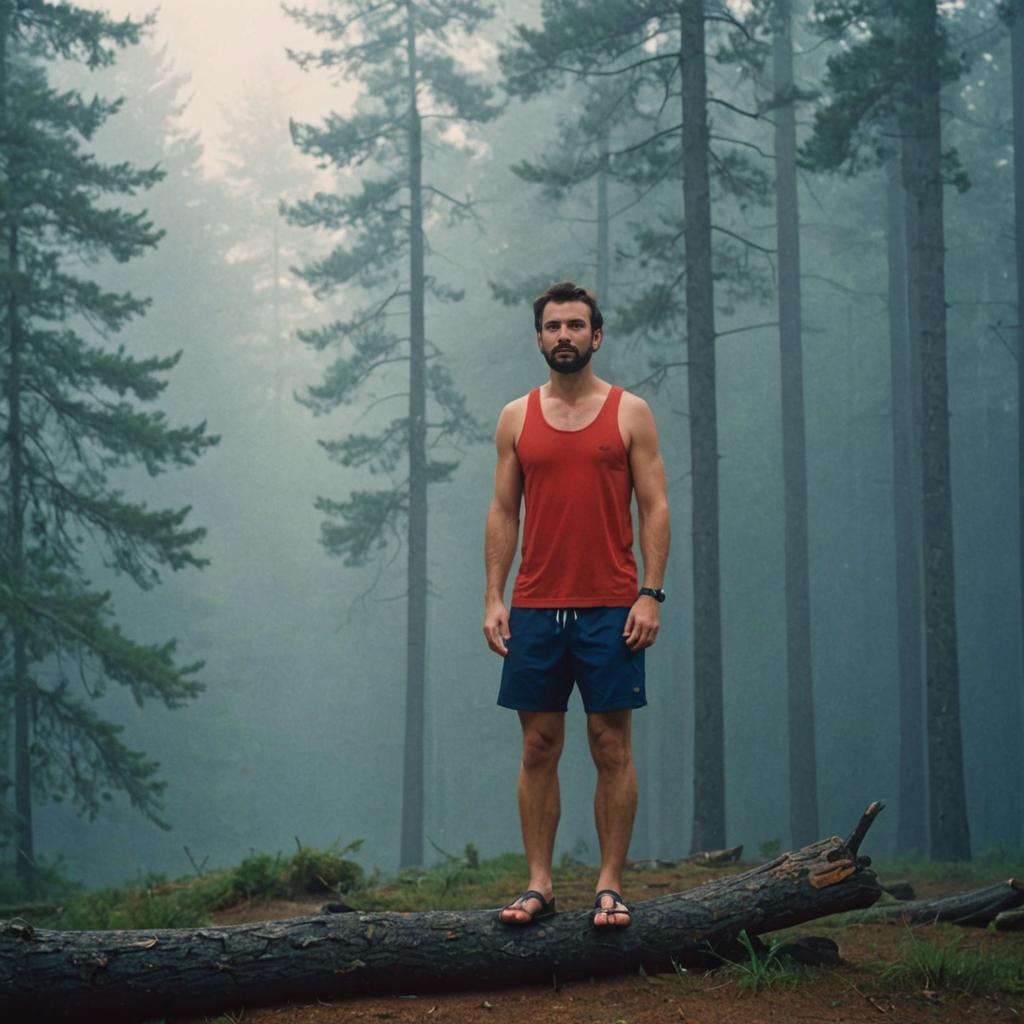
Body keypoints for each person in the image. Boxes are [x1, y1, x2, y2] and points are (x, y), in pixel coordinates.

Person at [483, 281, 670, 929]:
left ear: (597, 335)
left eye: (576, 325)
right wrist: (492, 597)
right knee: (538, 745)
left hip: (612, 607)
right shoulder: (516, 417)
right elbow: (504, 510)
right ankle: (539, 885)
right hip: (535, 606)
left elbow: (656, 506)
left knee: (609, 745)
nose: (564, 335)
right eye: (553, 326)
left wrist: (650, 592)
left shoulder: (629, 412)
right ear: (538, 338)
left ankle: (610, 887)